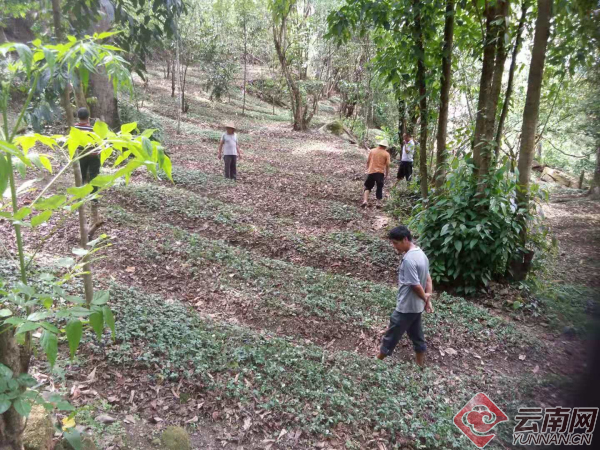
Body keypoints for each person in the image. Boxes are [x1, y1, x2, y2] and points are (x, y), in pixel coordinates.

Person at [378, 225, 434, 367]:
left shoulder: (409, 260)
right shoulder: (422, 254)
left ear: (405, 239)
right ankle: (420, 366)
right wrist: (427, 299)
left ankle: (375, 363)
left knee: (391, 337)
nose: (394, 246)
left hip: (406, 307)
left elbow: (415, 285)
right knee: (417, 336)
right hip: (416, 307)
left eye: (395, 243)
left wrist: (425, 298)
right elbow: (428, 279)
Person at [74, 108, 102, 228]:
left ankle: (80, 197)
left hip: (81, 155)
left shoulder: (74, 128)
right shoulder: (93, 129)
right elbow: (99, 142)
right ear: (88, 117)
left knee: (82, 175)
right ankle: (94, 199)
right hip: (94, 155)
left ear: (78, 117)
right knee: (94, 176)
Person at [362, 139, 391, 208]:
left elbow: (368, 161)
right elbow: (387, 165)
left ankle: (365, 201)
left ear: (379, 144)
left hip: (371, 171)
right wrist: (387, 174)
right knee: (379, 187)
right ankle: (378, 203)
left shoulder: (372, 151)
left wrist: (367, 169)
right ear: (385, 147)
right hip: (380, 173)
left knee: (367, 187)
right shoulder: (386, 154)